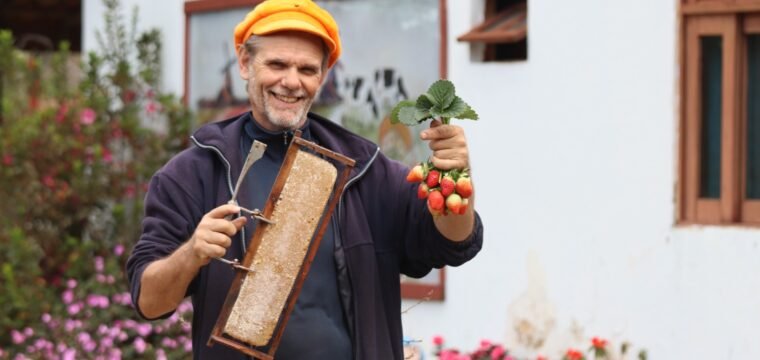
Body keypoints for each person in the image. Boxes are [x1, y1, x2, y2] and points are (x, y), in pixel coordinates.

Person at [126, 0, 483, 359]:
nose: (291, 81)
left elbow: (450, 241)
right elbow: (149, 301)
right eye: (277, 64)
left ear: (323, 76)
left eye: (307, 69)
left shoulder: (365, 168)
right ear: (245, 63)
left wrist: (454, 176)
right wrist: (192, 253)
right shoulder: (193, 173)